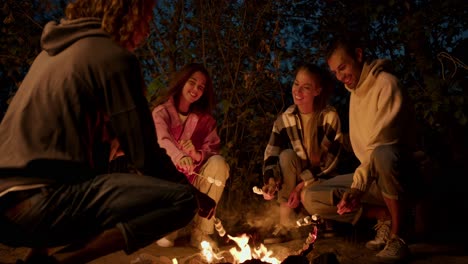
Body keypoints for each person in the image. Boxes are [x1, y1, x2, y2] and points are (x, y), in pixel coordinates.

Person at [0, 1, 215, 264]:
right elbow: (145, 156)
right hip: (36, 208)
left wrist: (112, 139)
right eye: (145, 19)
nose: (146, 29)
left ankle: (38, 255)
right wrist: (194, 193)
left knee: (90, 175)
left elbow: (56, 154)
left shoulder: (50, 55)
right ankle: (62, 262)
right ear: (128, 15)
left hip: (7, 207)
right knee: (181, 200)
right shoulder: (113, 57)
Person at [302, 34, 416, 261]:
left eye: (343, 67)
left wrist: (357, 188)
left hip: (401, 174)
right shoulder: (354, 94)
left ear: (359, 55)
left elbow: (379, 145)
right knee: (310, 196)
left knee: (383, 155)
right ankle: (384, 217)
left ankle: (399, 238)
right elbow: (364, 154)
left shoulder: (386, 84)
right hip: (372, 176)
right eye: (335, 72)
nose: (341, 76)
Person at [261, 63, 343, 244]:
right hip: (296, 178)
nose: (298, 91)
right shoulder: (285, 119)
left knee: (321, 182)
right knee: (286, 155)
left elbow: (330, 163)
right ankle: (285, 224)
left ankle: (325, 220)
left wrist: (300, 187)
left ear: (317, 91)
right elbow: (271, 154)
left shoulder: (329, 117)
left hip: (322, 178)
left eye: (306, 87)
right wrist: (271, 181)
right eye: (296, 84)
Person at [151, 63, 230, 249]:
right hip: (168, 181)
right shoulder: (161, 113)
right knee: (165, 242)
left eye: (201, 87)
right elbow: (162, 140)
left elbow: (213, 149)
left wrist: (196, 154)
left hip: (195, 181)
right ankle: (169, 227)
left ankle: (201, 232)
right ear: (182, 81)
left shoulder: (206, 120)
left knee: (219, 163)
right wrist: (180, 156)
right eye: (192, 82)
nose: (195, 89)